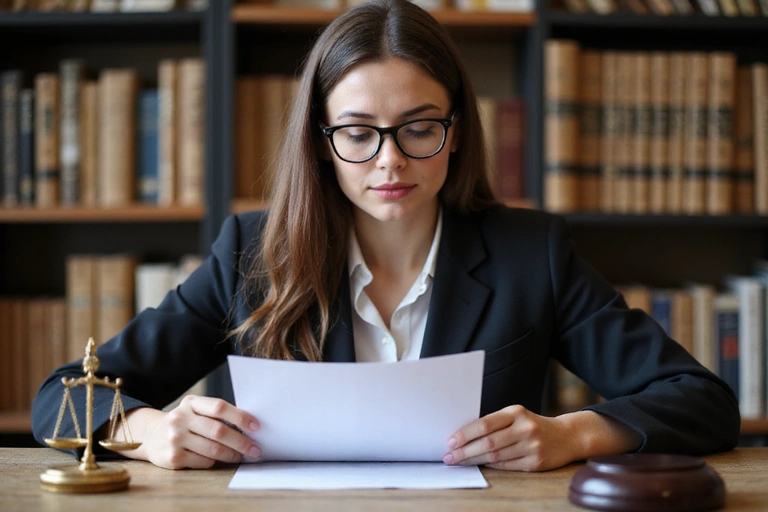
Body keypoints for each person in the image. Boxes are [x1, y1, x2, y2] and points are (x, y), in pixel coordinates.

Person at [32, 0, 740, 471]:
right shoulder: (250, 252)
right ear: (320, 141)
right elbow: (59, 398)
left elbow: (700, 400)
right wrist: (149, 432)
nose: (390, 161)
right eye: (359, 133)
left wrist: (572, 434)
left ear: (456, 132)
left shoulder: (534, 253)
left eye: (419, 128)